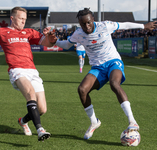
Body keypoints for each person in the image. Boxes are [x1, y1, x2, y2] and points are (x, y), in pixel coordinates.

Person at [54, 8, 157, 140]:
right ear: (79, 24)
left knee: (114, 84)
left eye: (89, 22)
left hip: (113, 62)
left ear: (93, 19)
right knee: (82, 90)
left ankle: (132, 121)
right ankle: (94, 122)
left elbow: (124, 25)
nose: (87, 26)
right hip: (98, 67)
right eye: (83, 24)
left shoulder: (105, 26)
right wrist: (54, 41)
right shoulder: (78, 33)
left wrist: (143, 26)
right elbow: (67, 44)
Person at [0, 6, 57, 141]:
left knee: (42, 109)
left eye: (25, 19)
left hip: (32, 70)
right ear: (12, 18)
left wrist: (50, 36)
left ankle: (23, 121)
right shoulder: (1, 32)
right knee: (30, 93)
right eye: (20, 19)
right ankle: (40, 130)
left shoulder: (29, 32)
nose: (23, 22)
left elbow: (49, 44)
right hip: (16, 70)